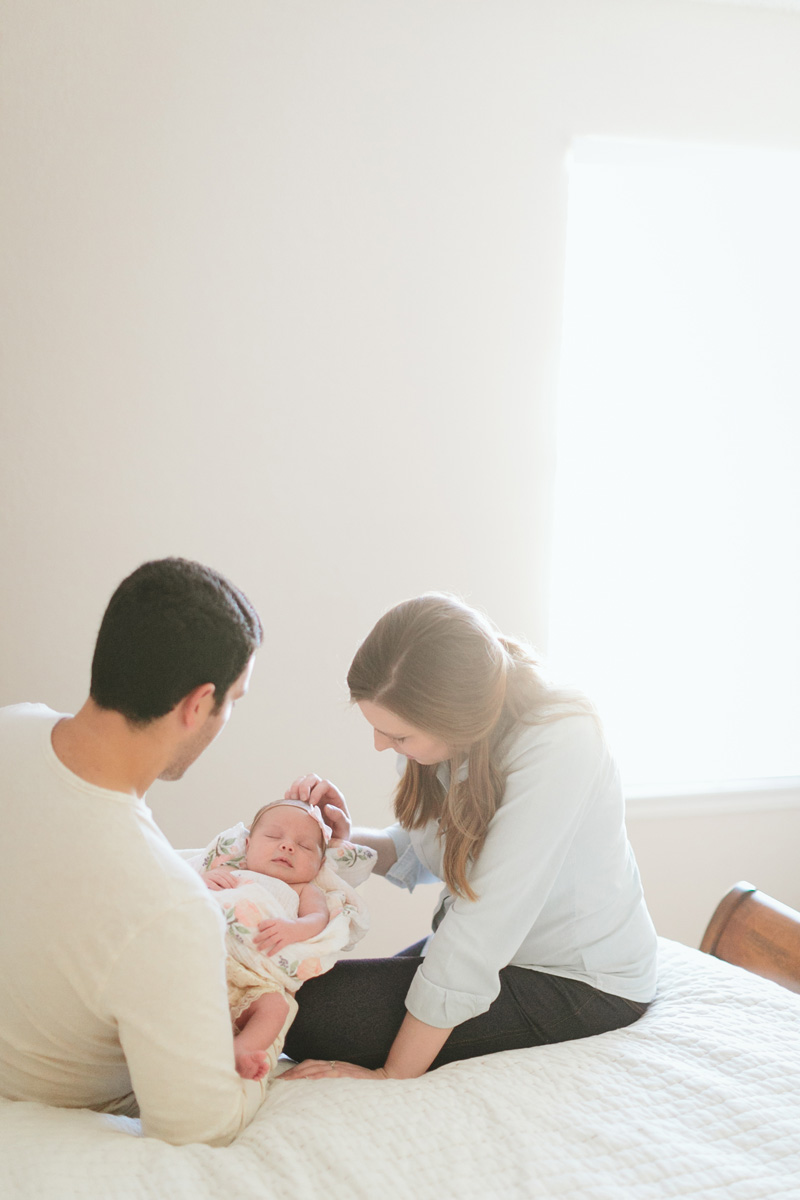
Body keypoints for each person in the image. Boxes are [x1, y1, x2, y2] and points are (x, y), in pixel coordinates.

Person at [277, 593, 658, 1082]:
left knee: (306, 1010)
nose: (380, 745)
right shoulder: (448, 738)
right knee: (286, 988)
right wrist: (328, 840)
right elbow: (424, 847)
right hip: (503, 953)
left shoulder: (561, 741)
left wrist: (390, 1077)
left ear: (453, 720)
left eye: (398, 736)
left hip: (580, 980)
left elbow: (484, 919)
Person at [0, 557, 267, 1146]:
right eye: (234, 699)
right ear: (198, 704)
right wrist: (265, 1057)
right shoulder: (167, 908)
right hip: (58, 1106)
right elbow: (198, 1125)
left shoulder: (9, 727)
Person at [201, 800, 331, 1082]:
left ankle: (242, 1051)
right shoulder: (233, 873)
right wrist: (206, 880)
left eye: (305, 846)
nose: (287, 847)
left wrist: (294, 928)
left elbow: (318, 919)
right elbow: (190, 894)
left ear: (320, 864)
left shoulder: (302, 889)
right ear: (247, 846)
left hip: (256, 977)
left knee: (277, 1007)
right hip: (210, 956)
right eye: (273, 837)